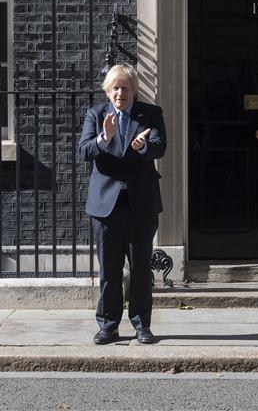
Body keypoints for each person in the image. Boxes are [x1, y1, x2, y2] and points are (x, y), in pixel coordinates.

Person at [79, 64, 166, 345]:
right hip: (106, 206)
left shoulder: (150, 113)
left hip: (140, 203)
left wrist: (143, 146)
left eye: (126, 87)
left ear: (134, 90)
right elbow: (83, 151)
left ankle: (142, 325)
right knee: (109, 269)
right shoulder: (96, 114)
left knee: (140, 269)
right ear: (108, 90)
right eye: (115, 87)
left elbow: (160, 145)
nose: (121, 93)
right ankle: (108, 325)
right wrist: (104, 138)